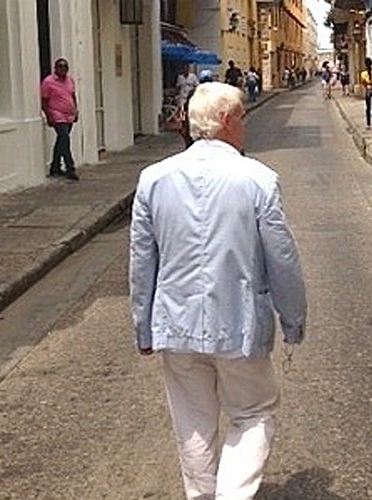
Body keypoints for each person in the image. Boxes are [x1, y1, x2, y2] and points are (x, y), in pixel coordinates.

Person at [129, 82, 307, 500]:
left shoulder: (153, 180)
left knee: (192, 422)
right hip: (239, 324)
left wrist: (143, 327)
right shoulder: (258, 180)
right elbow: (282, 258)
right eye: (242, 116)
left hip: (176, 323)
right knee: (253, 412)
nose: (244, 125)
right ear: (227, 121)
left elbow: (141, 260)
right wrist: (293, 319)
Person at [41, 58, 79, 181]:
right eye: (60, 66)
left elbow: (72, 96)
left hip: (69, 115)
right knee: (64, 139)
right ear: (55, 68)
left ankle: (55, 167)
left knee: (61, 141)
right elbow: (44, 100)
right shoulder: (48, 82)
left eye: (65, 67)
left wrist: (76, 110)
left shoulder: (70, 80)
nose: (63, 69)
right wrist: (48, 115)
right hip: (57, 114)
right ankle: (70, 168)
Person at [175, 63, 199, 149]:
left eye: (187, 68)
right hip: (182, 97)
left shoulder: (193, 77)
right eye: (184, 68)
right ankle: (183, 124)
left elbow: (197, 85)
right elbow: (177, 87)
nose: (186, 70)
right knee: (182, 112)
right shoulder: (180, 77)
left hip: (190, 97)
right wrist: (176, 95)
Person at [359, 58, 372, 130]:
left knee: (368, 108)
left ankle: (368, 124)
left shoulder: (363, 73)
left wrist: (368, 85)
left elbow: (363, 83)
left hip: (368, 89)